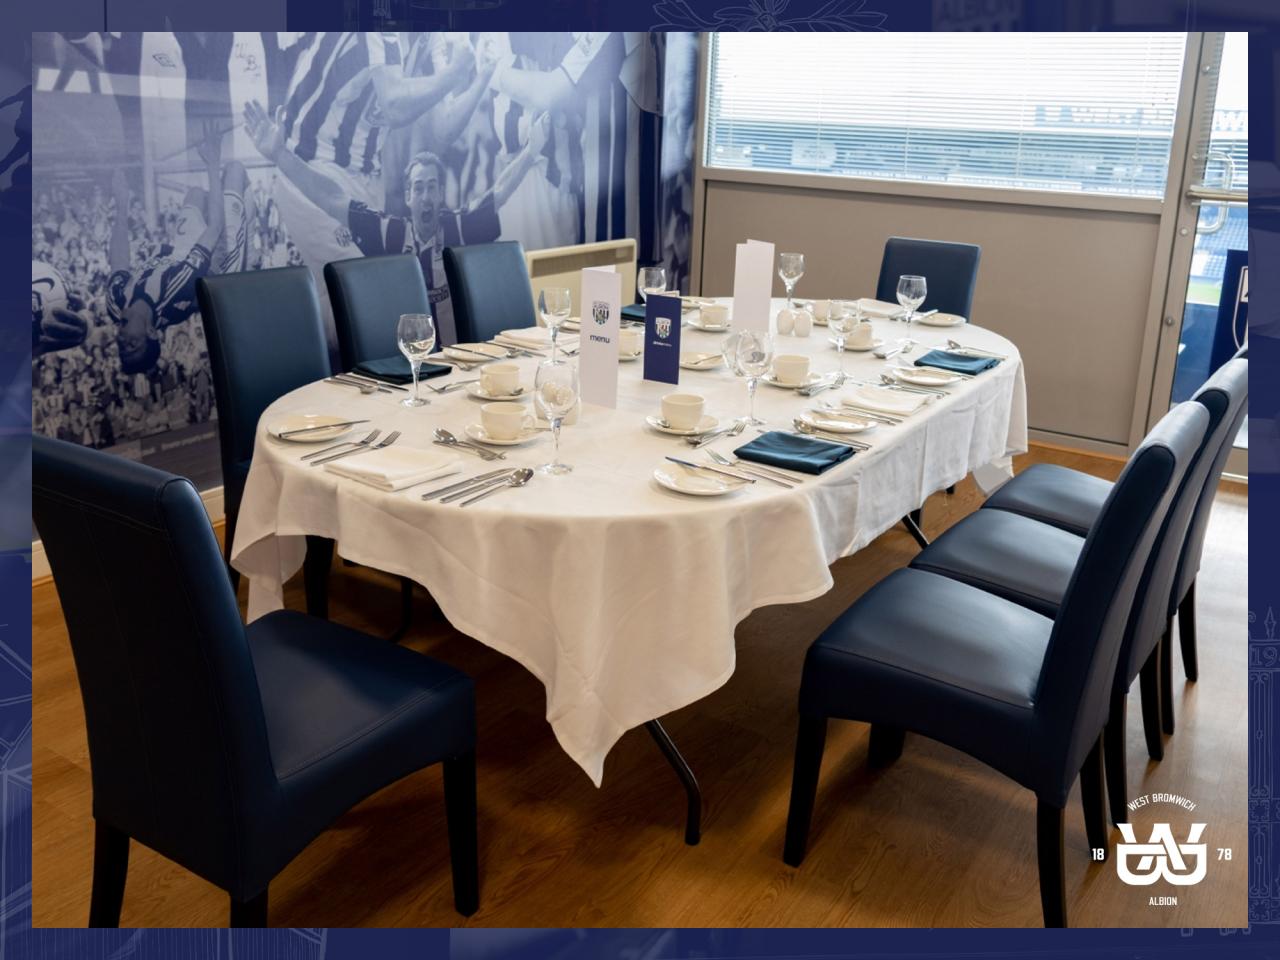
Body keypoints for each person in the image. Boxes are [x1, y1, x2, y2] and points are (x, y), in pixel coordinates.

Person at [246, 98, 546, 344]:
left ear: (441, 194)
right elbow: (331, 198)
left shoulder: (458, 228)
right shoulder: (389, 233)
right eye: (418, 188)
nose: (425, 196)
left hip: (458, 362)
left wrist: (531, 152)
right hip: (408, 365)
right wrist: (280, 155)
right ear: (407, 196)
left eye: (431, 187)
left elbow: (498, 194)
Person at [106, 120, 240, 374]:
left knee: (194, 194)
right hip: (212, 261)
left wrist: (121, 204)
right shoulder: (176, 289)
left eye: (120, 345)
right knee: (232, 174)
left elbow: (119, 260)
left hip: (179, 249)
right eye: (132, 344)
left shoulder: (116, 303)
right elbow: (215, 227)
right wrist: (213, 163)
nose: (122, 339)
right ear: (151, 331)